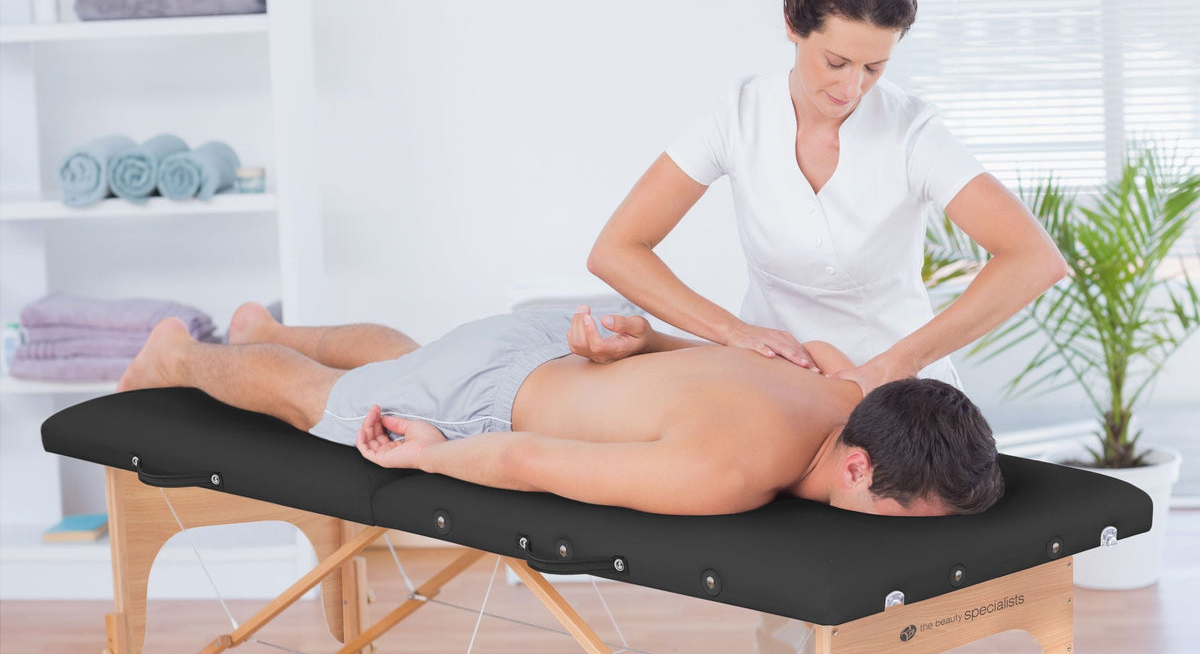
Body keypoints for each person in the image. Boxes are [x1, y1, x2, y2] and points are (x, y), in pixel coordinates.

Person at [585, 0, 1068, 394]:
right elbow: (617, 250)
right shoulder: (738, 117)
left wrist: (901, 361)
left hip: (899, 400)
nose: (853, 87)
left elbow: (1033, 257)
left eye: (874, 68)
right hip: (776, 394)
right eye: (836, 62)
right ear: (794, 25)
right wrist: (732, 331)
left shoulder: (913, 133)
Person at [118, 302, 1004, 517]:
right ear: (859, 467)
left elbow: (691, 364)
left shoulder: (842, 381)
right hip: (501, 397)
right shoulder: (728, 472)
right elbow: (525, 462)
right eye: (904, 518)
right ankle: (184, 353)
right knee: (324, 405)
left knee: (415, 357)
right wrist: (421, 457)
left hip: (574, 335)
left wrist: (635, 346)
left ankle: (271, 325)